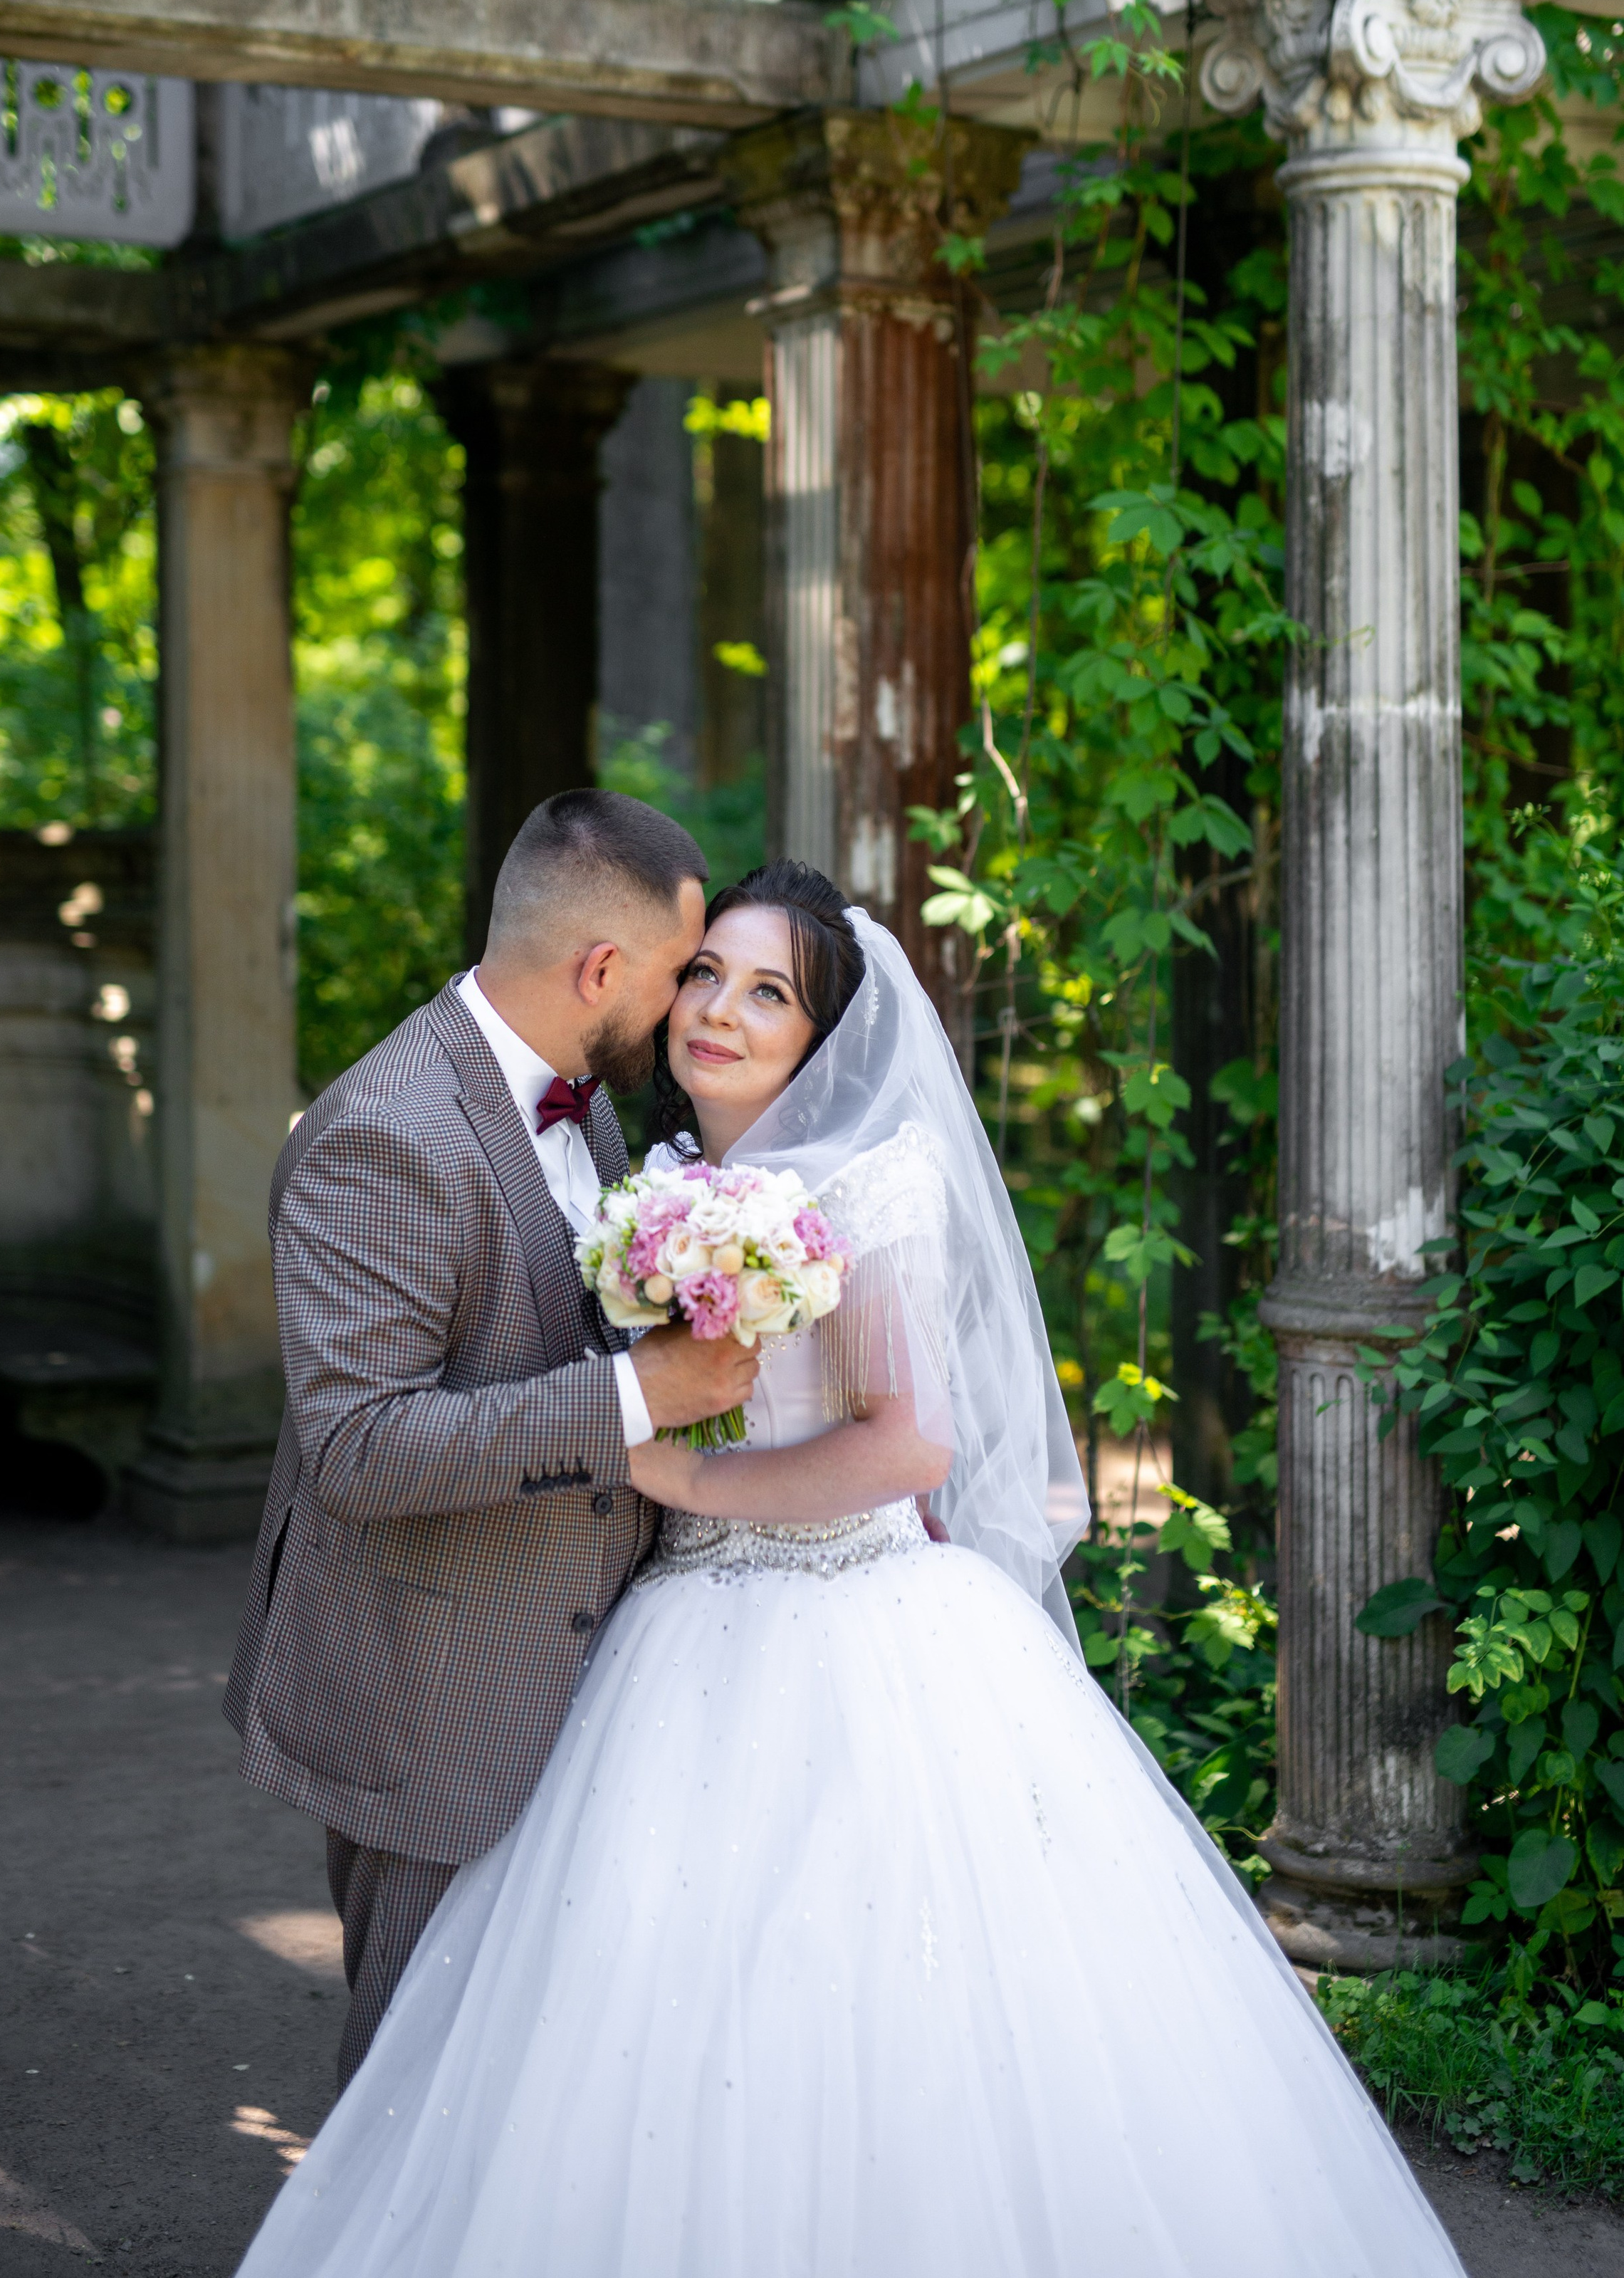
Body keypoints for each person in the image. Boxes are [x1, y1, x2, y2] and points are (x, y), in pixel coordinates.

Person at [235, 860, 1468, 2278]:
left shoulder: (867, 1185)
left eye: (769, 993)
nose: (720, 1010)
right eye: (705, 975)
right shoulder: (659, 1177)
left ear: (819, 1036)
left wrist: (680, 1472)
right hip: (662, 1640)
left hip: (852, 1628)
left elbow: (907, 1443)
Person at [222, 789, 760, 2090]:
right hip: (434, 1696)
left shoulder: (591, 1101)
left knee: (535, 2083)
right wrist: (644, 1395)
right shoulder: (387, 1133)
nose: (686, 1010)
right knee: (415, 2075)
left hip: (594, 1684)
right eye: (679, 976)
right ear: (600, 970)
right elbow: (358, 1448)